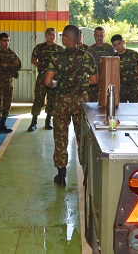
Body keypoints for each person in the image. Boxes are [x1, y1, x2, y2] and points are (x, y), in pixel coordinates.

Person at [44, 25, 97, 187]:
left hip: (62, 101)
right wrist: (80, 83)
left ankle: (61, 175)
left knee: (60, 136)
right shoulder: (86, 56)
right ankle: (87, 174)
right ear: (79, 38)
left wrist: (58, 84)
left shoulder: (57, 56)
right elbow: (94, 80)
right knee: (82, 137)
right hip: (81, 102)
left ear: (67, 38)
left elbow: (47, 81)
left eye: (63, 37)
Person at [28, 28, 63, 131]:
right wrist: (40, 66)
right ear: (45, 35)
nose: (51, 36)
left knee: (52, 99)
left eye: (53, 34)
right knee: (38, 99)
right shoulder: (39, 47)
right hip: (42, 77)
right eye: (49, 34)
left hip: (54, 78)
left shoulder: (59, 49)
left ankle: (48, 121)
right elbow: (33, 59)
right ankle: (33, 122)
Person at [0, 32, 22, 137]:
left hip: (9, 83)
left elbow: (18, 66)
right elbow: (0, 67)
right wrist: (11, 65)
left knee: (7, 105)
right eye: (4, 41)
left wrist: (8, 65)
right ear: (0, 41)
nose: (6, 43)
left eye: (8, 40)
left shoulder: (13, 53)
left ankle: (3, 125)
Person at [111, 34, 138, 103]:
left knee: (135, 109)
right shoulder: (114, 58)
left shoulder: (134, 54)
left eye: (119, 43)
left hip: (133, 87)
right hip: (120, 88)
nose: (117, 46)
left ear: (123, 42)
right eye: (115, 45)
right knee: (120, 110)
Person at [86, 26, 115, 102]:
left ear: (104, 36)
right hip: (93, 81)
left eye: (101, 36)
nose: (99, 38)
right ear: (94, 36)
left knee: (106, 102)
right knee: (92, 104)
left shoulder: (110, 48)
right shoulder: (90, 49)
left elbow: (114, 64)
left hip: (107, 81)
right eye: (97, 35)